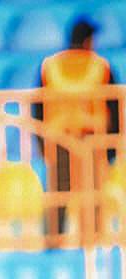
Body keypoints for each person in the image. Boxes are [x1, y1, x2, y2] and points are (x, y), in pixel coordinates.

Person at [35, 17, 121, 245]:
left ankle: (52, 243)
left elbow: (38, 108)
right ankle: (91, 243)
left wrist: (42, 144)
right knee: (91, 195)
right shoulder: (100, 66)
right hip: (91, 140)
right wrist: (112, 148)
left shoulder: (50, 66)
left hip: (58, 138)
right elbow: (114, 107)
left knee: (58, 195)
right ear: (88, 41)